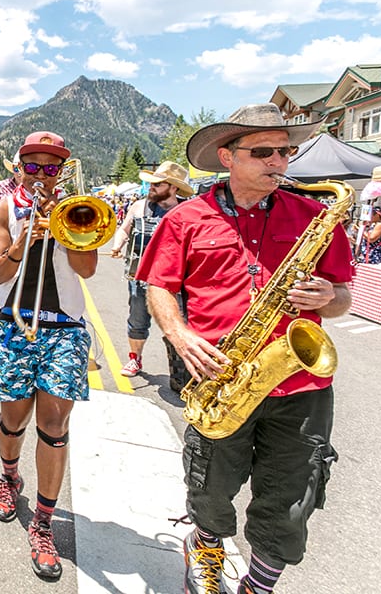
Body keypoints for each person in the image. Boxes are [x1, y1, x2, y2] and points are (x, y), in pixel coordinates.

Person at [138, 103, 353, 594]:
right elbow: (158, 285)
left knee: (291, 499)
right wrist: (180, 334)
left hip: (301, 384)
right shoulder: (186, 218)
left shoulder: (315, 214)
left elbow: (342, 294)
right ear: (227, 156)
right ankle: (206, 549)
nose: (278, 160)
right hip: (222, 377)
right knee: (211, 487)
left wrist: (330, 297)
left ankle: (258, 585)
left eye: (285, 151)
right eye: (263, 152)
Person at [0, 131, 95, 581]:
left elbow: (86, 270)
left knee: (54, 424)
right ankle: (10, 478)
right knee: (14, 418)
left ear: (62, 172)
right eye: (34, 166)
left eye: (52, 168)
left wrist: (65, 228)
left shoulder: (80, 212)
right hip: (14, 324)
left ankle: (44, 523)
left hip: (64, 328)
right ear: (19, 166)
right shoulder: (2, 208)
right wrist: (27, 235)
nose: (42, 175)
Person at [108, 160, 191, 381]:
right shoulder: (138, 207)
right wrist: (118, 244)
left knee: (180, 323)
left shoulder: (187, 211)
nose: (151, 187)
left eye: (158, 184)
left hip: (176, 282)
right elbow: (124, 229)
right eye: (151, 184)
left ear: (174, 188)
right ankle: (135, 357)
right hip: (140, 278)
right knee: (137, 321)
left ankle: (182, 369)